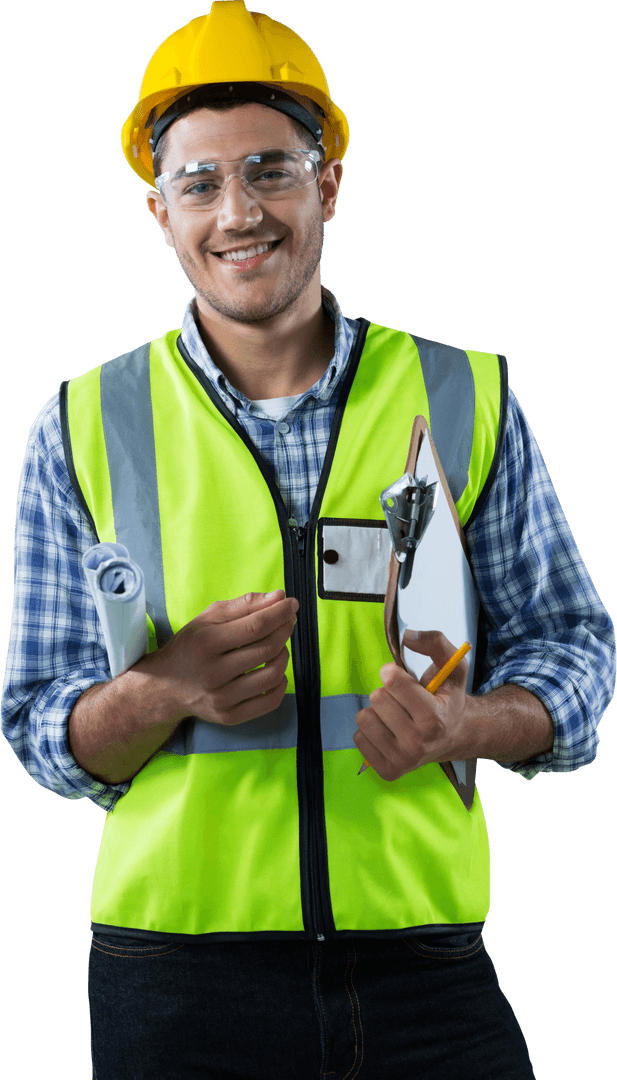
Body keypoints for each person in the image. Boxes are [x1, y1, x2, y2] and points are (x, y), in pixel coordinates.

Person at [2, 2, 615, 1077]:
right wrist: (162, 690)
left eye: (270, 171)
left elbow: (576, 651)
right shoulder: (83, 424)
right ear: (159, 213)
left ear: (326, 183)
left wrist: (465, 726)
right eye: (199, 184)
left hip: (422, 960)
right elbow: (39, 732)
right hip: (173, 974)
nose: (238, 211)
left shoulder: (461, 395)